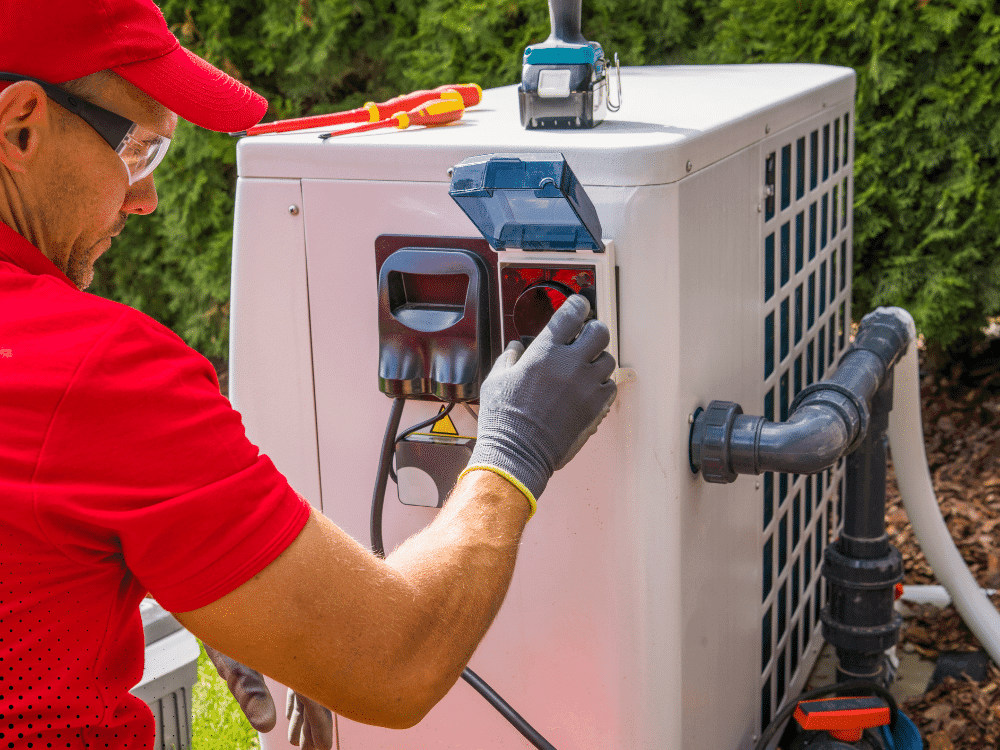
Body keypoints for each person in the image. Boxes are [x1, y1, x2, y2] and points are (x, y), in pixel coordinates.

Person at [0, 1, 617, 749]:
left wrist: (196, 563)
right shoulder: (96, 373)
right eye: (138, 150)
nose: (147, 199)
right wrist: (513, 452)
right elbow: (394, 659)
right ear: (20, 127)